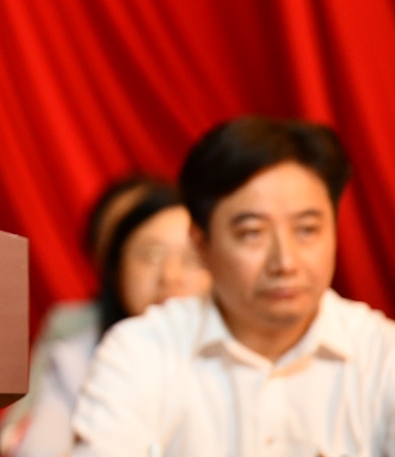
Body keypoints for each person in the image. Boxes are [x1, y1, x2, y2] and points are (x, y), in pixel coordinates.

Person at [71, 115, 395, 456]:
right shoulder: (140, 352)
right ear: (201, 245)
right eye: (252, 233)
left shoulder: (383, 356)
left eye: (307, 230)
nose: (285, 262)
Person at [0, 177, 210, 456]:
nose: (171, 276)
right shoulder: (74, 358)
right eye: (151, 255)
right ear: (115, 269)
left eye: (191, 258)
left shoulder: (245, 352)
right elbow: (35, 446)